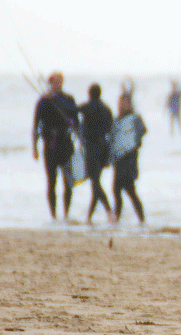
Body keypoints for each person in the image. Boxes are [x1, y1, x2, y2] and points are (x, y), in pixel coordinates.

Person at [32, 72, 78, 220]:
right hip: (50, 145)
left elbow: (76, 121)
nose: (58, 84)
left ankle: (66, 214)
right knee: (51, 181)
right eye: (55, 81)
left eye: (60, 81)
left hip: (66, 143)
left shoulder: (68, 99)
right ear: (50, 83)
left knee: (68, 181)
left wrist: (80, 140)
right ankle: (53, 215)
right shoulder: (43, 101)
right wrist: (34, 147)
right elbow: (36, 126)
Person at [78, 83, 116, 224]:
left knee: (95, 182)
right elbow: (111, 130)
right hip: (104, 148)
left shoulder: (87, 107)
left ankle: (109, 212)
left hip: (92, 148)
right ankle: (88, 217)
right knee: (96, 182)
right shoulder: (107, 109)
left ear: (89, 93)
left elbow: (72, 111)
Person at [111, 90, 148, 225]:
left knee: (130, 190)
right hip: (119, 160)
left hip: (130, 160)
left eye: (124, 103)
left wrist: (132, 139)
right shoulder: (117, 119)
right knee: (116, 190)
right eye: (120, 103)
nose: (121, 105)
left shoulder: (134, 118)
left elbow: (143, 131)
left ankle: (141, 219)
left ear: (129, 104)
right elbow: (113, 138)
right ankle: (117, 218)